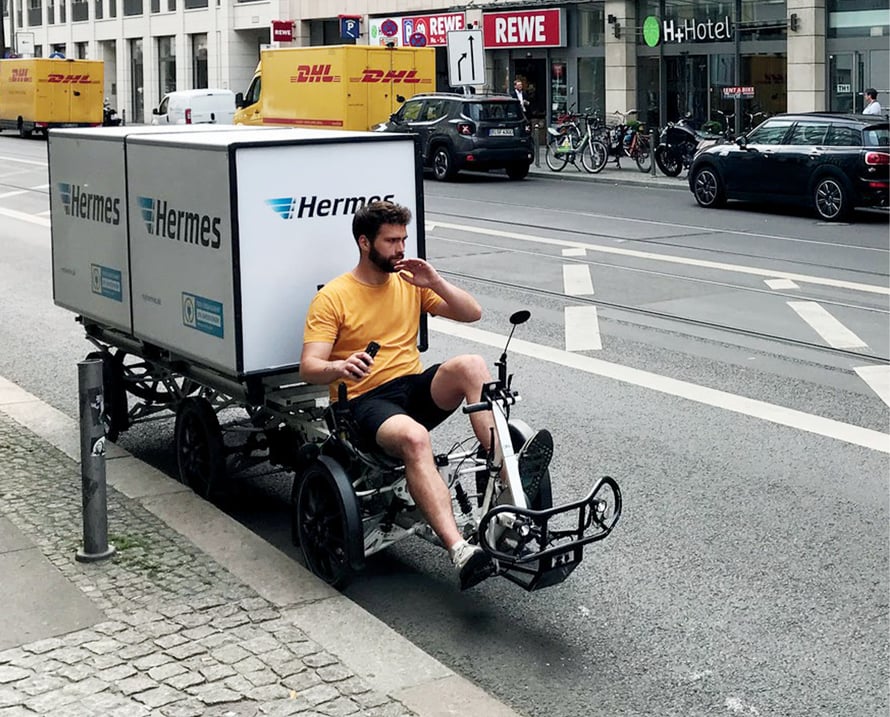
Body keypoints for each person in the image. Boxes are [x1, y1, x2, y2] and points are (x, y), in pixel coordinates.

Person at [300, 200, 552, 590]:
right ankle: (461, 551)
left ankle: (504, 481)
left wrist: (434, 281)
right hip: (363, 402)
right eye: (391, 241)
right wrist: (339, 367)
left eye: (403, 239)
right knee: (416, 438)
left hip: (409, 387)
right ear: (365, 243)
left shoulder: (408, 282)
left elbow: (473, 314)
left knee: (471, 365)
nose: (401, 248)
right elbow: (309, 366)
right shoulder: (333, 297)